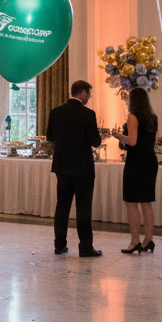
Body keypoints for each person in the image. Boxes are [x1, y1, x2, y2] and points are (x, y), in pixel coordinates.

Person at [45, 80, 103, 257]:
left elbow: (49, 137)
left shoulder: (55, 112)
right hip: (82, 168)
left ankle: (59, 245)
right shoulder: (88, 114)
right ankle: (85, 247)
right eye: (89, 93)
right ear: (82, 93)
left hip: (62, 166)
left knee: (62, 206)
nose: (89, 97)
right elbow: (96, 142)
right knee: (83, 208)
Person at [113, 86, 158, 254]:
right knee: (146, 202)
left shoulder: (132, 117)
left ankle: (134, 242)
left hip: (136, 162)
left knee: (131, 203)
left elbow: (132, 141)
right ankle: (148, 240)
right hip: (150, 161)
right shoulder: (153, 117)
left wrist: (119, 136)